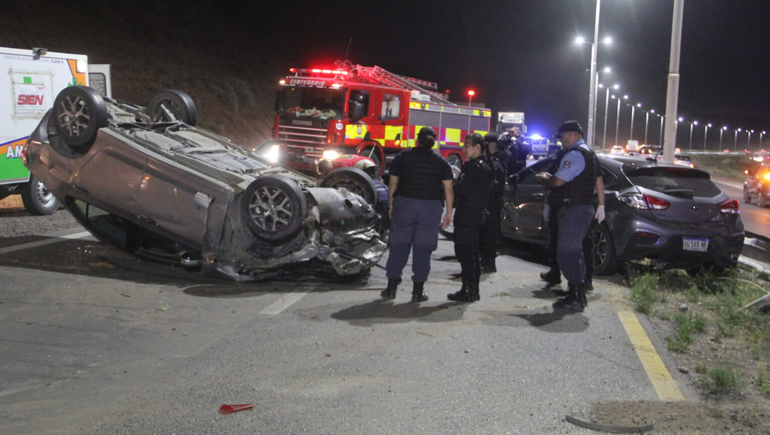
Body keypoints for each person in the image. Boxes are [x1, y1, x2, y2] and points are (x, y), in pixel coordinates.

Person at [382, 127, 454, 302]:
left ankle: (391, 288)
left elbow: (392, 183)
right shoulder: (441, 161)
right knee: (423, 248)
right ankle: (417, 292)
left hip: (405, 205)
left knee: (399, 245)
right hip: (430, 208)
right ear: (433, 142)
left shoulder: (403, 156)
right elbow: (449, 189)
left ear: (417, 140)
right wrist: (448, 212)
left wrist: (391, 205)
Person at [535, 121, 597, 312]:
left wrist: (544, 177)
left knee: (568, 252)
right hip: (577, 209)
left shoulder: (576, 155)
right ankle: (575, 292)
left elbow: (557, 182)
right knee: (570, 252)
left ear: (570, 134)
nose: (561, 141)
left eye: (562, 137)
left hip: (575, 209)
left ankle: (577, 296)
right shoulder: (588, 153)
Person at [540, 151, 605, 291]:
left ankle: (577, 285)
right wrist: (601, 205)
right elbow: (599, 180)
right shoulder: (589, 156)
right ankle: (578, 281)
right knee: (577, 246)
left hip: (568, 208)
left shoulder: (572, 155)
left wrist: (544, 179)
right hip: (572, 207)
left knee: (568, 247)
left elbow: (555, 182)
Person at [447, 133, 493, 303]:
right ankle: (471, 289)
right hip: (474, 214)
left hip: (469, 214)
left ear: (477, 147)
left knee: (466, 254)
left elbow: (462, 190)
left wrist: (452, 183)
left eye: (467, 146)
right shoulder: (483, 165)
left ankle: (469, 290)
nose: (464, 149)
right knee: (471, 253)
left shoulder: (475, 167)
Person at [479, 133, 507, 273]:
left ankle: (488, 263)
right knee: (487, 233)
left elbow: (494, 184)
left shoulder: (496, 161)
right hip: (492, 201)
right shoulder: (500, 159)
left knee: (489, 233)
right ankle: (486, 261)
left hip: (491, 202)